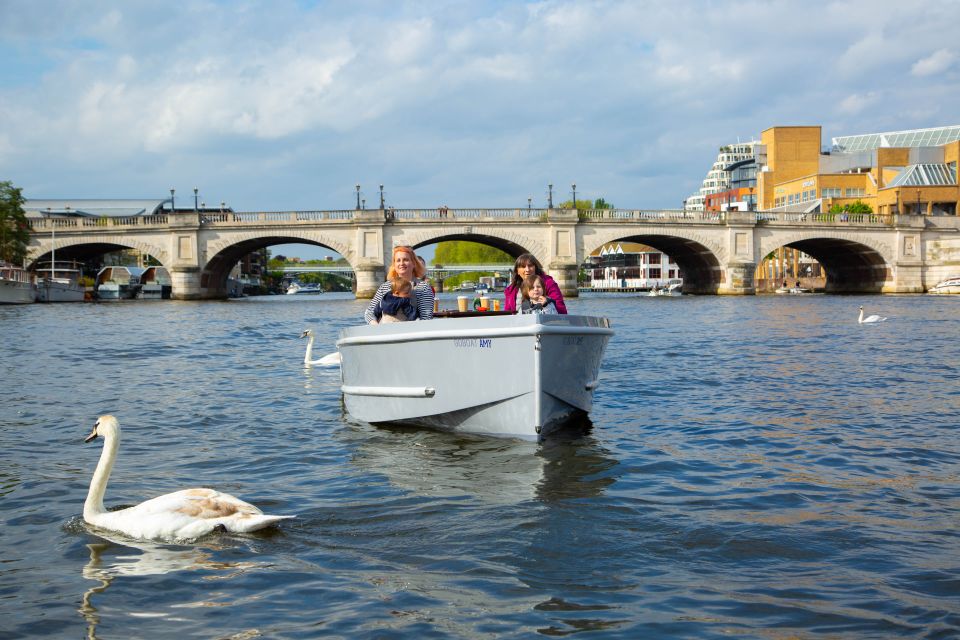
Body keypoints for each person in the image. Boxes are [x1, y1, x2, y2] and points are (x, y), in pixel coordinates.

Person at [364, 245, 435, 324]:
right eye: (398, 260)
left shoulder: (423, 288)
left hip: (410, 333)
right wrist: (375, 326)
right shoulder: (385, 286)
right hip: (384, 332)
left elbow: (426, 319)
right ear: (394, 265)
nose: (401, 263)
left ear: (414, 263)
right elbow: (369, 312)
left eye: (406, 260)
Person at [503, 253, 567, 314]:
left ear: (535, 268)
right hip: (518, 323)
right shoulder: (511, 290)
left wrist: (546, 304)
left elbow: (561, 310)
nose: (527, 269)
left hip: (544, 322)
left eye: (530, 266)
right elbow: (507, 313)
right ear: (517, 271)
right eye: (523, 266)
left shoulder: (548, 283)